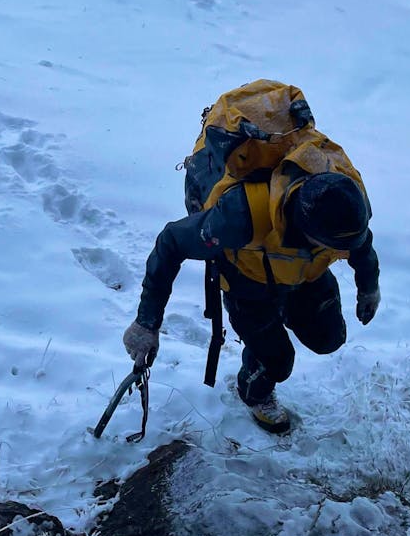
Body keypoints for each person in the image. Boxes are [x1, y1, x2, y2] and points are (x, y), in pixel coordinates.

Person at [122, 109, 380, 435]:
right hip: (249, 281)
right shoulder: (242, 215)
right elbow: (172, 242)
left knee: (330, 338)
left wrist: (368, 285)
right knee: (278, 361)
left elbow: (361, 243)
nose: (347, 249)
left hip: (305, 275)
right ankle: (253, 391)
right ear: (306, 229)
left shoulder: (344, 205)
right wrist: (147, 322)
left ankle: (281, 319)